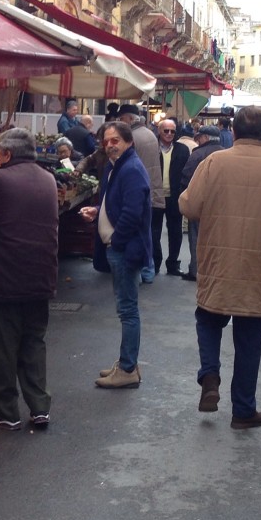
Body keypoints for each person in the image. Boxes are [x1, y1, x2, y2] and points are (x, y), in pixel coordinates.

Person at [178, 106, 261, 428]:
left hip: (216, 261)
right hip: (259, 267)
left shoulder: (214, 162)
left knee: (209, 318)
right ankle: (243, 410)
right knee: (249, 338)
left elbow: (189, 205)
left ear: (234, 132)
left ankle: (209, 376)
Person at [0, 128, 59, 430]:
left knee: (5, 345)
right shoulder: (48, 178)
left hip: (6, 276)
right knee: (33, 341)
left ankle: (5, 411)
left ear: (7, 154)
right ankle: (39, 406)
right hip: (40, 274)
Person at [80, 121, 153, 389]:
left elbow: (133, 213)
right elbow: (117, 202)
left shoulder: (131, 169)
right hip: (119, 247)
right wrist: (98, 211)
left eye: (115, 140)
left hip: (124, 250)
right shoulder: (116, 166)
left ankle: (127, 368)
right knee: (126, 309)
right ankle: (126, 362)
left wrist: (117, 241)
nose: (110, 145)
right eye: (106, 140)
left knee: (127, 310)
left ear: (129, 142)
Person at [117, 104, 160, 283]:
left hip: (137, 188)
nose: (119, 122)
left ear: (128, 118)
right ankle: (149, 270)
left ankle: (142, 269)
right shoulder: (150, 133)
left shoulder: (132, 137)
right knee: (147, 231)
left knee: (138, 231)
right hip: (150, 187)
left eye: (121, 119)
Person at [179, 125, 223, 281]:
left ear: (205, 138)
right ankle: (214, 270)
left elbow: (186, 178)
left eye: (199, 137)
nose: (197, 140)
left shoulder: (197, 154)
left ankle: (196, 270)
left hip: (201, 204)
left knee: (196, 238)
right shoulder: (226, 154)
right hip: (221, 205)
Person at [151, 117, 190, 276]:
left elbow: (186, 172)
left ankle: (173, 264)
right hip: (155, 195)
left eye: (172, 131)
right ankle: (155, 262)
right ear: (159, 131)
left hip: (174, 196)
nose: (169, 134)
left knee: (175, 232)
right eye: (166, 130)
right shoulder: (152, 147)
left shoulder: (182, 149)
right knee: (154, 232)